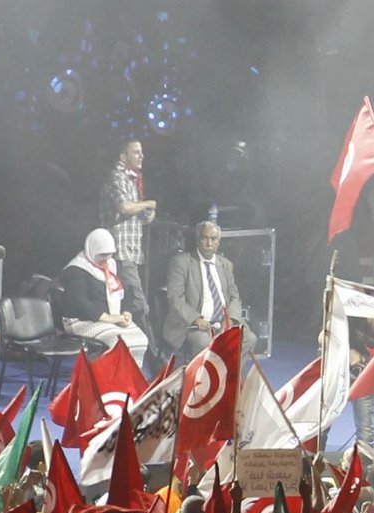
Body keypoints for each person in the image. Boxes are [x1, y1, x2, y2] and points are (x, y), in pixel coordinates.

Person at [102, 138, 158, 363]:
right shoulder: (117, 177)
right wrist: (147, 204)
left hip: (131, 252)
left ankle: (131, 356)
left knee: (128, 307)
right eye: (136, 152)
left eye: (142, 152)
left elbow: (134, 213)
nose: (141, 156)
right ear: (123, 157)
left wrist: (147, 214)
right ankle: (154, 359)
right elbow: (124, 208)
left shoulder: (133, 179)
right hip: (120, 253)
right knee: (138, 303)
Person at [162, 219, 245, 365]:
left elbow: (234, 297)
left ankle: (225, 375)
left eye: (213, 239)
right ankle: (200, 382)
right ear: (197, 239)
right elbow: (176, 299)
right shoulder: (181, 263)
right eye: (204, 238)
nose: (209, 244)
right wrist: (195, 319)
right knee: (204, 341)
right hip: (192, 325)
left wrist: (231, 319)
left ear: (219, 242)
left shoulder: (226, 265)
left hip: (222, 322)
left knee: (249, 338)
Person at [57, 227, 149, 359]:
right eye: (102, 255)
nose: (106, 259)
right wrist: (106, 318)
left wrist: (126, 313)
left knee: (140, 341)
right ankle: (106, 377)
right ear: (92, 250)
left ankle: (128, 377)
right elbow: (79, 302)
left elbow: (126, 293)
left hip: (111, 319)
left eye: (109, 254)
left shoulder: (114, 266)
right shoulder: (76, 270)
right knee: (120, 343)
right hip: (80, 321)